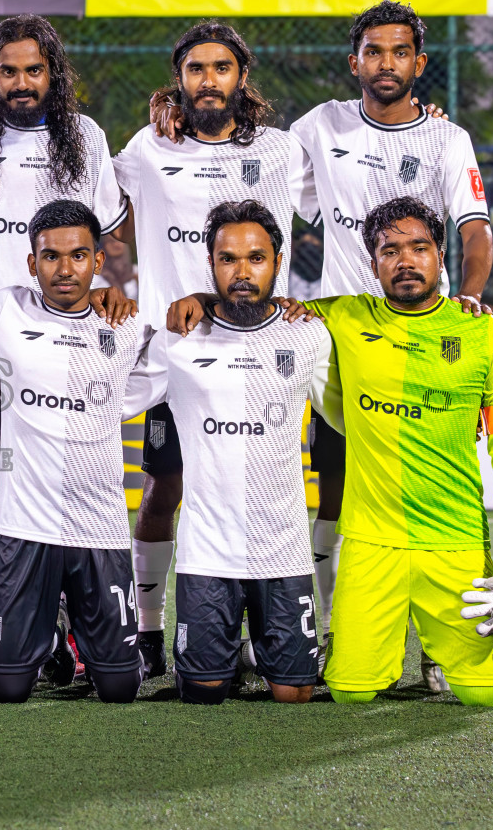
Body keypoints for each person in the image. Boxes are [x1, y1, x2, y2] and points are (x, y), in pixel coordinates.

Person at [170, 196, 493, 708]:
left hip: (454, 540)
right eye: (390, 250)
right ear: (373, 264)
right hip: (370, 544)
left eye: (419, 248)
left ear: (441, 256)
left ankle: (440, 650)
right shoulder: (339, 317)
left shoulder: (484, 333)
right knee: (349, 690)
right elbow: (256, 304)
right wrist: (201, 297)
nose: (405, 261)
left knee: (483, 696)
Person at [286, 1, 493, 672]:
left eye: (399, 52)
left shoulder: (446, 139)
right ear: (356, 63)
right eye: (373, 52)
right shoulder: (321, 125)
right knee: (340, 488)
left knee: (444, 490)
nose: (385, 63)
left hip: (426, 336)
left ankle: (443, 644)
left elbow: (473, 230)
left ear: (419, 63)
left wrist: (470, 297)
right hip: (344, 341)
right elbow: (263, 174)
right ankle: (337, 632)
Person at [110, 21, 315, 677]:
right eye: (195, 69)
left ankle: (273, 630)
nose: (208, 80)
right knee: (162, 489)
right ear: (179, 80)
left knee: (255, 484)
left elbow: (343, 200)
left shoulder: (282, 151)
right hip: (173, 351)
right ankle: (147, 630)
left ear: (241, 78)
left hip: (258, 349)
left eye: (221, 68)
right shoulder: (147, 148)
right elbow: (95, 210)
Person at [0, 15, 130, 667]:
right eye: (8, 71)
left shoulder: (87, 137)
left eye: (33, 69)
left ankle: (74, 624)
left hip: (70, 340)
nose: (21, 82)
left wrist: (104, 285)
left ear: (53, 74)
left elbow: (108, 236)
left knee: (70, 481)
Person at [127, 201, 334, 704]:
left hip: (282, 553)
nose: (242, 272)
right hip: (206, 555)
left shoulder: (308, 334)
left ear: (279, 263)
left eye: (256, 258)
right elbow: (110, 399)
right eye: (228, 259)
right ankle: (221, 656)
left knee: (293, 695)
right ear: (211, 264)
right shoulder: (178, 339)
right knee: (202, 693)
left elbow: (350, 414)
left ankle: (262, 652)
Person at [0, 200, 145, 703]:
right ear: (32, 264)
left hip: (101, 527)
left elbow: (177, 350)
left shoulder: (128, 325)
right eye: (50, 257)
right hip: (26, 525)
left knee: (118, 688)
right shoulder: (4, 309)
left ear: (98, 260)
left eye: (78, 255)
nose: (64, 269)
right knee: (8, 688)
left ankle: (79, 634)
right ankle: (47, 636)